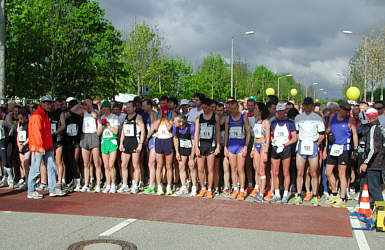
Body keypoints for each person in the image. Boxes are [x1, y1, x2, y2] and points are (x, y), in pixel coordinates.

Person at [27, 96, 66, 198]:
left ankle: (53, 189)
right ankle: (31, 191)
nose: (50, 105)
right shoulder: (37, 116)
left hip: (46, 146)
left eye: (51, 103)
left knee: (51, 167)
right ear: (42, 103)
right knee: (35, 169)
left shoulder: (44, 115)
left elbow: (46, 133)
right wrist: (40, 146)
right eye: (48, 103)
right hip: (38, 147)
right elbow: (36, 133)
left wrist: (49, 145)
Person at [324, 102, 358, 208]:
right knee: (328, 172)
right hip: (333, 147)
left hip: (344, 148)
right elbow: (328, 129)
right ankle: (334, 193)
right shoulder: (333, 117)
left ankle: (342, 197)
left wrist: (355, 149)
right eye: (345, 110)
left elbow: (355, 135)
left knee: (342, 173)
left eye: (349, 111)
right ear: (340, 109)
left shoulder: (350, 120)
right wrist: (328, 134)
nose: (347, 113)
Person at [294, 97, 325, 206]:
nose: (306, 106)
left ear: (312, 106)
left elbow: (322, 134)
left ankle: (314, 195)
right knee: (300, 172)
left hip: (312, 145)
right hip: (302, 145)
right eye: (305, 104)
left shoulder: (317, 118)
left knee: (314, 172)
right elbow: (297, 133)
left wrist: (316, 143)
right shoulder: (298, 118)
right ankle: (298, 195)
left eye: (309, 105)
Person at [71, 99, 102, 192]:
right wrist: (80, 104)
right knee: (86, 163)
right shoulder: (83, 112)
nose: (85, 106)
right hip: (85, 135)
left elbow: (95, 116)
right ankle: (86, 183)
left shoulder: (95, 111)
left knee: (96, 162)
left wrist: (90, 107)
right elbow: (72, 110)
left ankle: (98, 183)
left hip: (93, 134)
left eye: (86, 104)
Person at [269, 103, 297, 203]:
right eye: (279, 111)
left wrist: (284, 145)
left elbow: (294, 138)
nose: (281, 113)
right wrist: (274, 142)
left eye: (282, 111)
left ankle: (285, 194)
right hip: (276, 148)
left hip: (285, 149)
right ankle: (277, 194)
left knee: (285, 172)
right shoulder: (273, 122)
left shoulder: (290, 123)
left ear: (285, 111)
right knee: (275, 172)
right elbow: (271, 135)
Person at [194, 98, 220, 199]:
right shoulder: (199, 118)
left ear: (210, 107)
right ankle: (203, 188)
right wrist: (196, 147)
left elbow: (217, 132)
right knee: (200, 169)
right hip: (201, 145)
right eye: (202, 108)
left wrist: (218, 146)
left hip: (211, 145)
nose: (204, 109)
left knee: (210, 169)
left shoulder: (215, 117)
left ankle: (210, 189)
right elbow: (196, 133)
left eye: (206, 107)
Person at [224, 100, 251, 201]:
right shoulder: (228, 118)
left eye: (235, 108)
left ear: (238, 107)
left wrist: (245, 146)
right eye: (231, 109)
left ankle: (242, 190)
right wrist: (225, 147)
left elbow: (248, 132)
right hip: (231, 146)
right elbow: (226, 133)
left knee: (240, 169)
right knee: (233, 169)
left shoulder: (243, 117)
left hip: (240, 146)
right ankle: (235, 189)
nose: (233, 110)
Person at [359, 108, 385, 208]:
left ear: (368, 118)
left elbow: (373, 149)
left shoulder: (374, 128)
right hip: (379, 161)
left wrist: (365, 162)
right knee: (370, 186)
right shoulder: (380, 127)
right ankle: (370, 208)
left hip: (374, 163)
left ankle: (381, 213)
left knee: (375, 189)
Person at [119, 101, 145, 194]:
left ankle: (135, 185)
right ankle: (125, 184)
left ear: (134, 108)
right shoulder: (125, 117)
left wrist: (141, 144)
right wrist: (121, 143)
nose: (127, 109)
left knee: (135, 165)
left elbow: (143, 131)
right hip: (126, 141)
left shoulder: (138, 117)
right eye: (127, 107)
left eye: (129, 107)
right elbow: (123, 131)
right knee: (123, 165)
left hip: (135, 141)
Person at [97, 100, 119, 193]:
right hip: (104, 142)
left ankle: (113, 184)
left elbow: (116, 132)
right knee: (106, 166)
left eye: (105, 107)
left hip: (112, 141)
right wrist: (102, 125)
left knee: (111, 165)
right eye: (102, 108)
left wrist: (107, 124)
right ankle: (108, 184)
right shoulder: (101, 117)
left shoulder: (114, 117)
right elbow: (98, 133)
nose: (104, 109)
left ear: (109, 108)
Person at [251, 102, 270, 202]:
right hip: (256, 145)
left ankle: (262, 192)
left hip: (263, 146)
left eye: (255, 109)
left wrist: (266, 151)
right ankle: (258, 188)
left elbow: (268, 138)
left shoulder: (265, 122)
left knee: (262, 170)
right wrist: (253, 148)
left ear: (260, 110)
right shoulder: (255, 121)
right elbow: (255, 136)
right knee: (257, 169)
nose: (254, 110)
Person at [173, 114, 196, 195]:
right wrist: (177, 152)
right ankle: (183, 186)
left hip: (191, 147)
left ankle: (194, 187)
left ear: (181, 123)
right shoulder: (175, 127)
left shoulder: (191, 128)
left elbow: (194, 143)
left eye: (175, 121)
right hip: (182, 148)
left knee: (192, 166)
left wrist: (192, 157)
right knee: (181, 166)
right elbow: (175, 139)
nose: (173, 122)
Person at [142, 99, 157, 194]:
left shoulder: (154, 113)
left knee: (151, 162)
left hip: (155, 138)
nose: (142, 107)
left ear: (149, 105)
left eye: (144, 105)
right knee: (150, 163)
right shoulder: (147, 114)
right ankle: (153, 183)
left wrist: (146, 137)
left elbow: (153, 127)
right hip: (150, 139)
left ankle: (152, 185)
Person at [0, 107, 16, 188]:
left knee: (5, 161)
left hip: (2, 142)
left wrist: (8, 135)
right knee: (2, 162)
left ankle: (11, 178)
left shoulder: (2, 122)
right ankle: (5, 177)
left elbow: (13, 127)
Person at [16, 108, 30, 190]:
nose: (20, 120)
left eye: (21, 118)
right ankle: (26, 180)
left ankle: (29, 181)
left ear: (25, 116)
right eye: (19, 118)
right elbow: (18, 134)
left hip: (27, 145)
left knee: (26, 162)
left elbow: (30, 136)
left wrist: (23, 144)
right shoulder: (19, 124)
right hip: (20, 145)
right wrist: (18, 144)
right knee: (23, 164)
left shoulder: (29, 123)